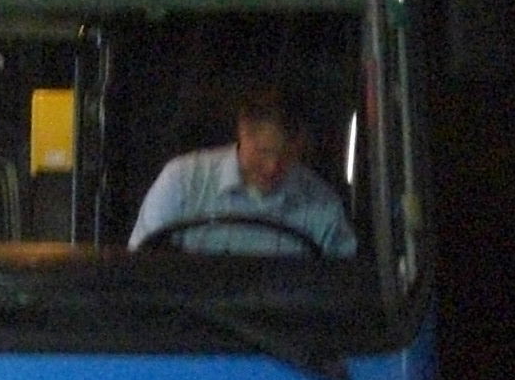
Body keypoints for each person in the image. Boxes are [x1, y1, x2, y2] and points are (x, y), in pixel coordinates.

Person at [128, 83, 355, 257]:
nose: (272, 167)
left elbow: (343, 286)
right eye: (263, 152)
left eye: (287, 156)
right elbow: (140, 267)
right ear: (243, 130)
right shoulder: (181, 181)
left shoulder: (323, 204)